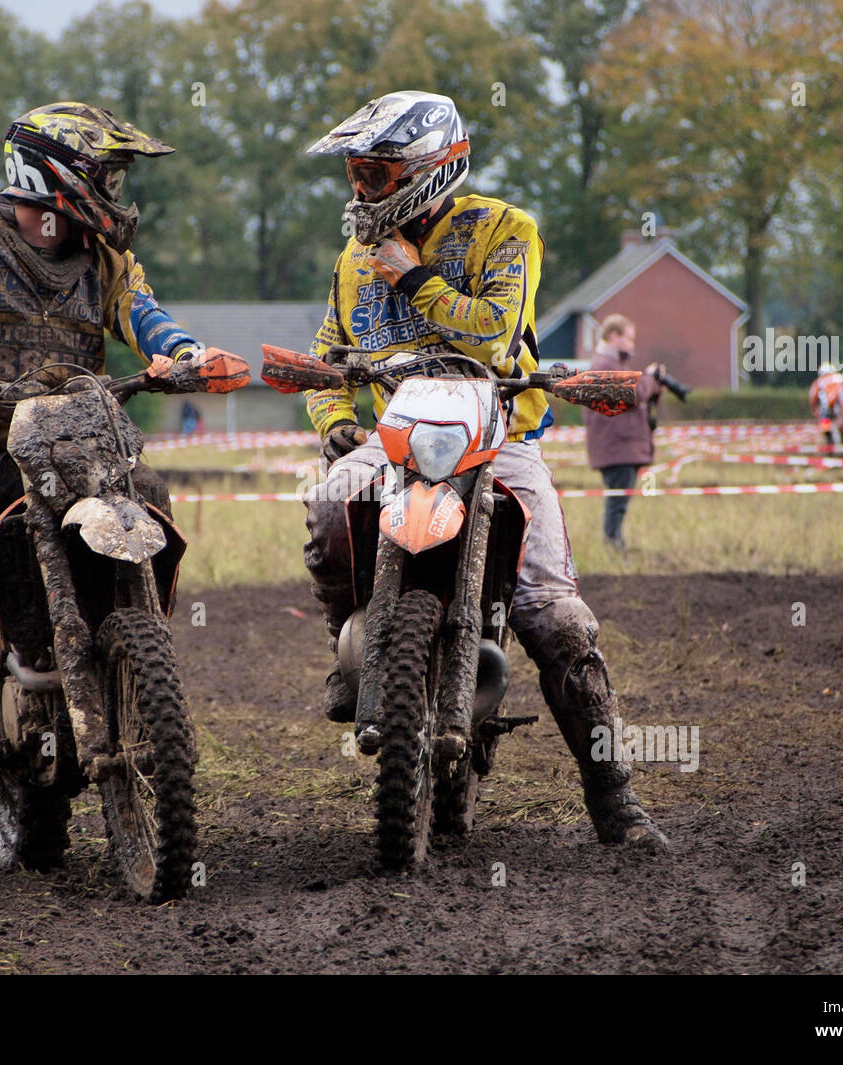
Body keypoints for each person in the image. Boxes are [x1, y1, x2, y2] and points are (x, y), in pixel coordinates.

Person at [300, 91, 667, 849]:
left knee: (554, 615)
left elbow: (498, 337)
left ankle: (614, 796)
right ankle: (350, 651)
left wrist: (412, 279)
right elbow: (329, 357)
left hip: (500, 434)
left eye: (374, 172)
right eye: (355, 174)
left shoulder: (505, 229)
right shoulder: (351, 259)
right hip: (400, 435)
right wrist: (335, 421)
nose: (360, 190)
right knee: (329, 505)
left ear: (429, 169)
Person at [0, 102, 211, 876]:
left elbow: (142, 315)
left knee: (149, 507)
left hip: (73, 445)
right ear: (57, 177)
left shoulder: (101, 257)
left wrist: (183, 353)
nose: (118, 194)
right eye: (107, 177)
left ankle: (127, 658)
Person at [581, 315, 664, 551]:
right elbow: (632, 392)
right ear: (613, 336)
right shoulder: (603, 365)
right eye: (628, 338)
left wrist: (653, 386)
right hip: (617, 447)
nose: (632, 345)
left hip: (622, 447)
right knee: (617, 504)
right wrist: (649, 378)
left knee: (619, 503)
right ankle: (613, 547)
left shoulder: (613, 364)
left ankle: (615, 546)